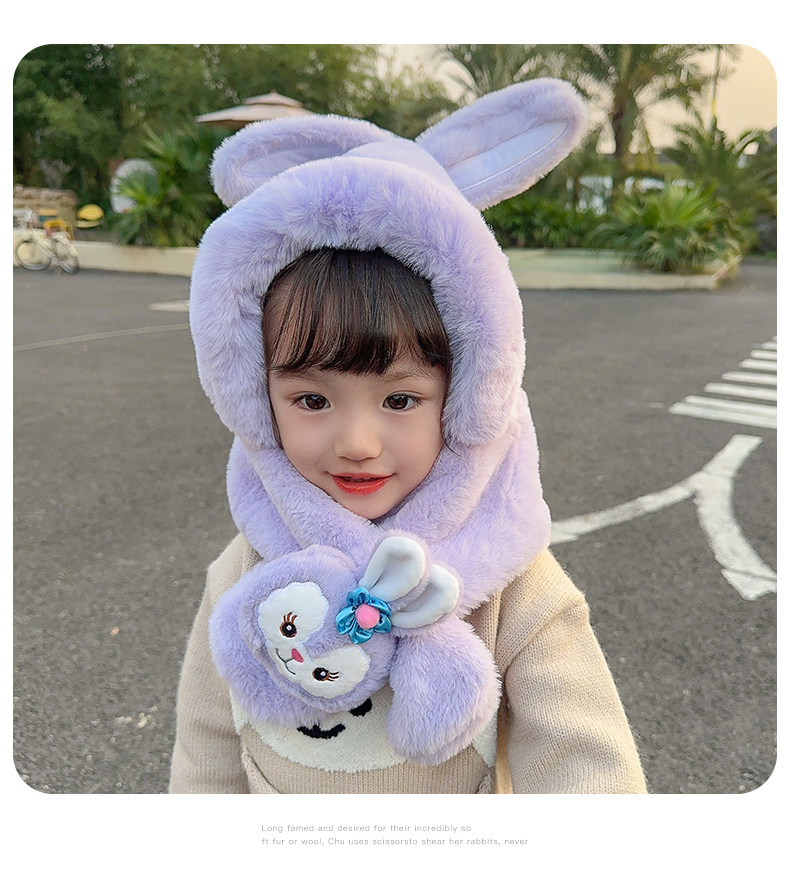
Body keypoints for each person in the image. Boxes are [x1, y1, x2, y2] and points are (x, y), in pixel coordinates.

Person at [170, 78, 647, 794]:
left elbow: (588, 769)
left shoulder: (512, 583)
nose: (357, 442)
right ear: (254, 399)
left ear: (468, 397)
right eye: (310, 399)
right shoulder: (243, 573)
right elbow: (205, 759)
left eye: (400, 398)